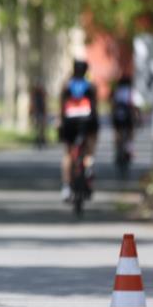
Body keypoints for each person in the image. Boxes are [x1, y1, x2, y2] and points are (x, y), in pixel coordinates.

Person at [58, 59, 99, 201]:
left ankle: (66, 187)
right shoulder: (91, 86)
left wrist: (60, 121)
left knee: (68, 154)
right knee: (89, 147)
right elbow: (95, 107)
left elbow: (61, 106)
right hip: (87, 122)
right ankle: (89, 165)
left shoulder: (67, 85)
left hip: (69, 122)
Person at [110, 73, 139, 156]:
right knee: (130, 130)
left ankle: (117, 146)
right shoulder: (131, 91)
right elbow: (134, 105)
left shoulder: (117, 91)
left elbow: (113, 104)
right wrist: (138, 116)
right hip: (128, 116)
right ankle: (130, 147)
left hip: (118, 115)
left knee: (117, 131)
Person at [30, 82, 47, 148]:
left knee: (42, 127)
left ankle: (42, 139)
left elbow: (45, 104)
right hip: (36, 112)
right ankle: (38, 140)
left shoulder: (42, 95)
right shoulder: (34, 95)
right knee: (37, 127)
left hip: (41, 112)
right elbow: (32, 104)